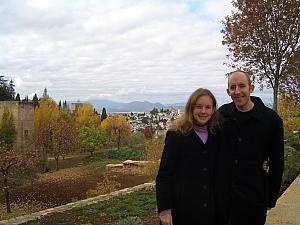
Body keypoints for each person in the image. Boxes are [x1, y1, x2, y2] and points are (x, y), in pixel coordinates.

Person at [215, 70, 284, 225]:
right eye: (233, 87)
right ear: (228, 92)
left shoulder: (271, 120)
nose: (237, 92)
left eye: (242, 86)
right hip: (224, 197)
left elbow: (277, 163)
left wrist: (271, 198)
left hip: (254, 197)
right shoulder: (221, 115)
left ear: (251, 88)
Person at [156, 88, 221, 225]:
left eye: (208, 107)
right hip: (182, 210)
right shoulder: (177, 135)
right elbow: (164, 175)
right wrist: (165, 210)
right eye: (199, 106)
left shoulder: (216, 134)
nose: (203, 111)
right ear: (190, 108)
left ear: (213, 110)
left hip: (209, 210)